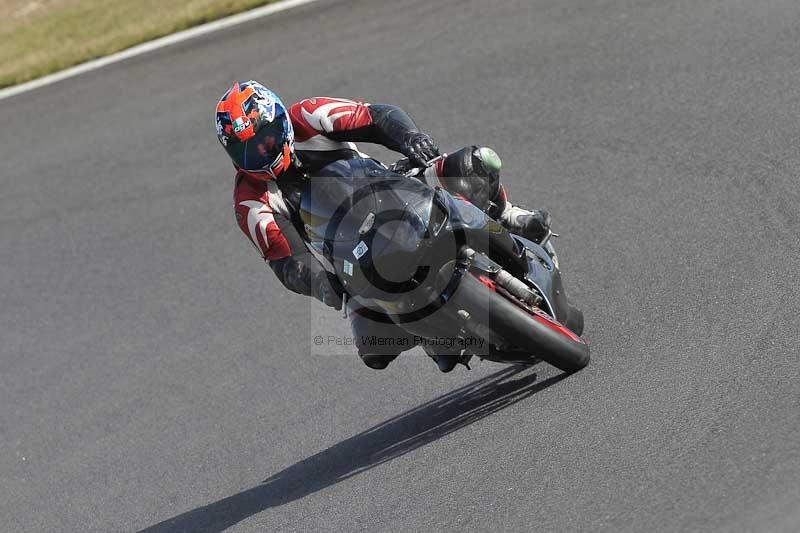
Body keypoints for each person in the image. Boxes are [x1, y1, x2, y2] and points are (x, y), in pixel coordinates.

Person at [216, 80, 551, 372]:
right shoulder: (251, 200)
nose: (262, 153)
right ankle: (433, 336)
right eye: (248, 151)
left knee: (474, 162)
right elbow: (288, 261)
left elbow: (375, 116)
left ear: (281, 121)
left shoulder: (308, 116)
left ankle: (507, 214)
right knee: (373, 348)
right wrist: (322, 285)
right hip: (354, 264)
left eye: (268, 140)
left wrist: (410, 138)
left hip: (396, 193)